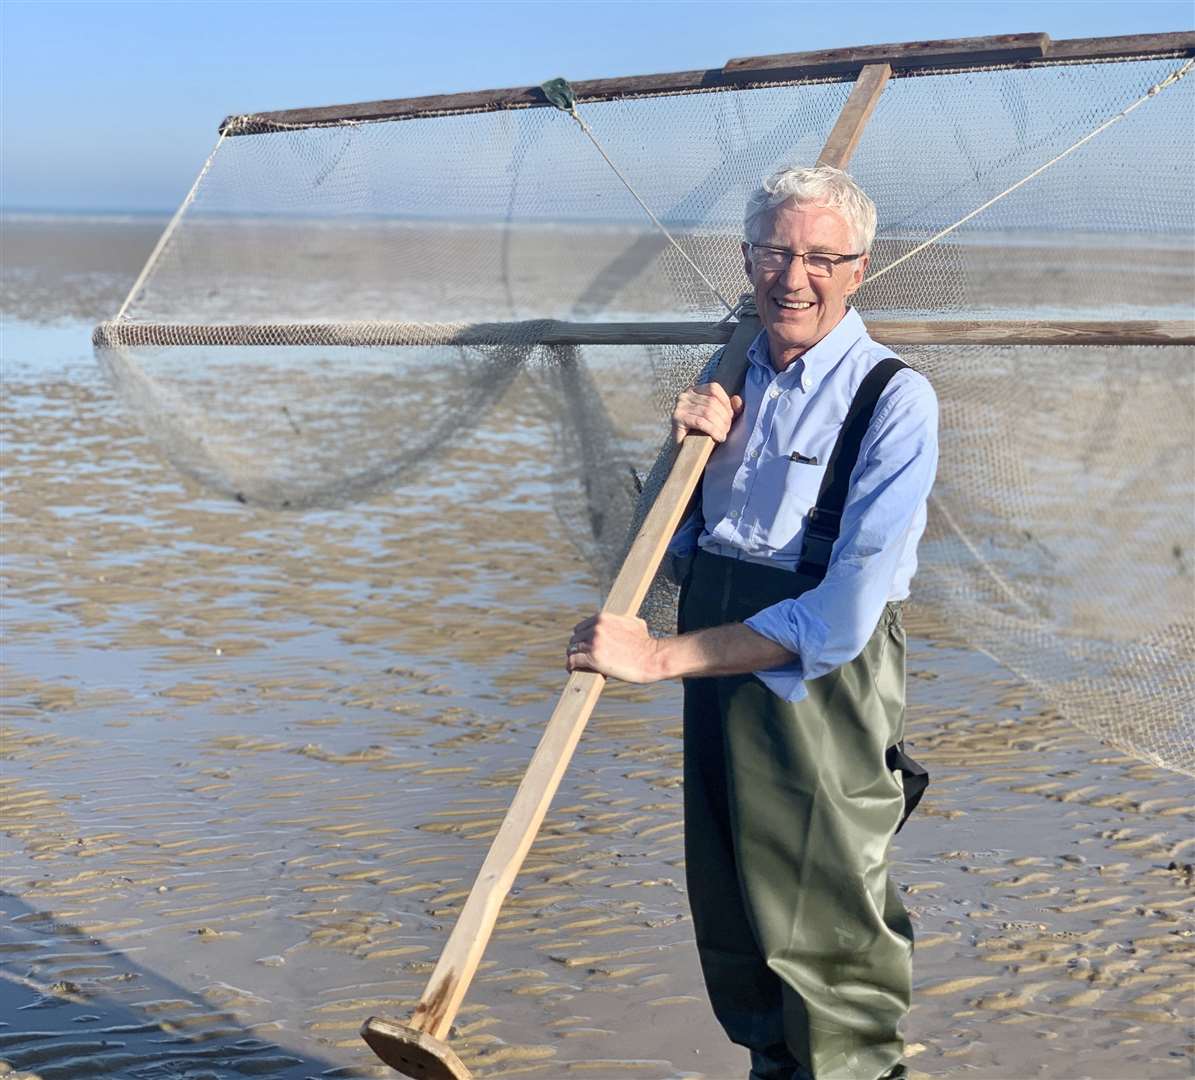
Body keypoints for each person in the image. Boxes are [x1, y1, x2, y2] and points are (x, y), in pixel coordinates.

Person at [566, 164, 939, 1080]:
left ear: (860, 269)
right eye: (775, 251)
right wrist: (685, 451)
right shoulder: (728, 380)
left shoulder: (894, 399)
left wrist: (657, 658)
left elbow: (842, 616)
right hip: (719, 656)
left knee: (825, 928)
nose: (793, 276)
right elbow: (668, 553)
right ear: (744, 260)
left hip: (819, 683)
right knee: (735, 915)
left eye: (820, 256)